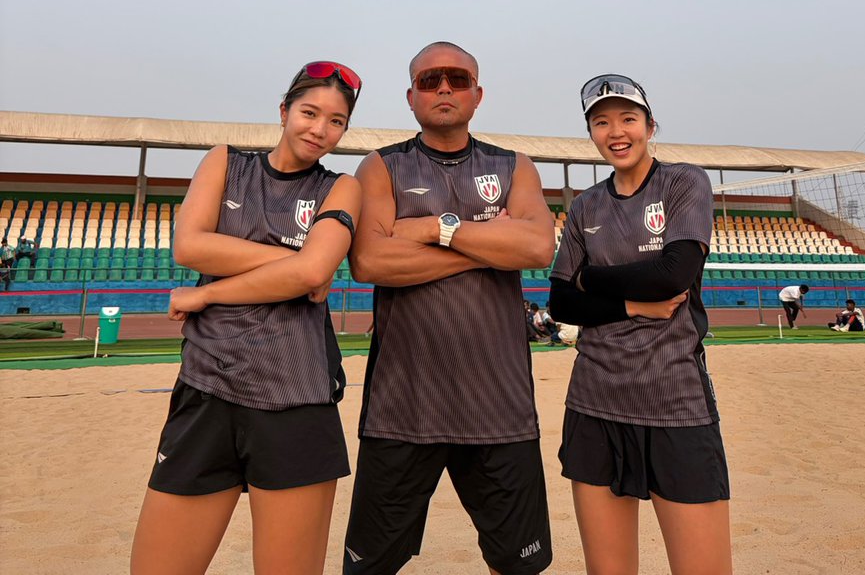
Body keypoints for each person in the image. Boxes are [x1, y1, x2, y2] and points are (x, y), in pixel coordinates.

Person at [130, 61, 363, 575]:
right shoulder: (226, 163)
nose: (319, 129)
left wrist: (207, 297)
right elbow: (190, 246)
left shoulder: (342, 187)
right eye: (309, 112)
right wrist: (299, 264)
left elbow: (318, 271)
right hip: (208, 388)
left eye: (336, 121)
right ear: (283, 111)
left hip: (297, 399)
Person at [344, 41, 556, 575]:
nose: (444, 87)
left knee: (518, 564)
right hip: (403, 405)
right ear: (410, 96)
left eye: (457, 79)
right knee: (370, 565)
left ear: (477, 95)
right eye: (430, 80)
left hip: (500, 406)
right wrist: (487, 243)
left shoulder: (513, 166)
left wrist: (437, 232)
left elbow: (536, 249)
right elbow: (370, 261)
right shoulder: (380, 166)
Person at [549, 73, 732, 575]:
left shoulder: (683, 180)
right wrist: (632, 306)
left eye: (628, 119)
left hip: (674, 400)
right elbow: (561, 302)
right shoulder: (586, 205)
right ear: (591, 133)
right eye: (601, 122)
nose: (616, 131)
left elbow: (674, 274)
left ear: (650, 126)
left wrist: (594, 278)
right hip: (595, 401)